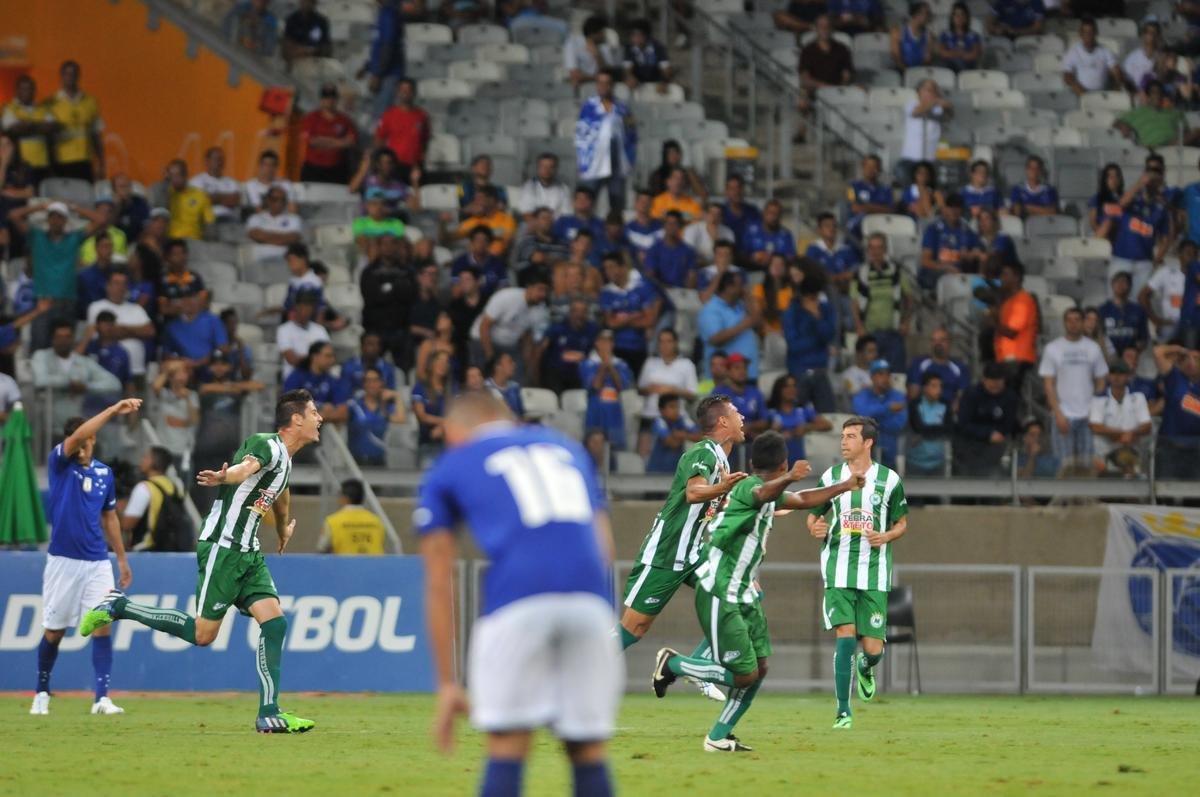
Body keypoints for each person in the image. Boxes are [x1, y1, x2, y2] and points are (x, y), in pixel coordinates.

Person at [415, 390, 619, 794]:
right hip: (590, 602)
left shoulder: (453, 462)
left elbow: (440, 578)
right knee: (588, 749)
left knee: (508, 744)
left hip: (518, 601)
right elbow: (604, 548)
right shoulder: (567, 449)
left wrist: (447, 683)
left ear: (455, 429)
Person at [81, 391, 321, 733]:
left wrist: (283, 530)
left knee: (275, 623)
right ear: (296, 419)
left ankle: (270, 713)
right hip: (223, 548)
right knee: (202, 633)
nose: (320, 418)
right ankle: (119, 606)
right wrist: (226, 477)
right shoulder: (266, 444)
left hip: (248, 552)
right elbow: (245, 468)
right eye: (313, 412)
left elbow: (280, 494)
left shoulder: (285, 460)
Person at [653, 431, 864, 750]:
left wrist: (844, 486)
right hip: (718, 589)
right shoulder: (749, 487)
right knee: (744, 674)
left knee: (760, 667)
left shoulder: (768, 491)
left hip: (743, 592)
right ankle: (674, 664)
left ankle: (718, 737)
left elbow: (803, 499)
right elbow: (764, 492)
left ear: (752, 461)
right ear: (784, 464)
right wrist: (791, 477)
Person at [30, 398, 140, 718]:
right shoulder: (59, 463)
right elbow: (76, 439)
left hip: (97, 562)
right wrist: (111, 410)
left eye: (88, 440)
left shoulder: (105, 473)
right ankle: (41, 692)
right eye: (79, 440)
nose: (84, 446)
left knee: (102, 624)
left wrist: (121, 559)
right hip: (63, 562)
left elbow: (110, 519)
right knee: (54, 630)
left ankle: (101, 698)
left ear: (94, 441)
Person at [618, 394, 747, 660]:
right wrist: (721, 488)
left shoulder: (723, 462)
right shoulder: (702, 453)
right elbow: (694, 492)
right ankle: (571, 669)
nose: (742, 417)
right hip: (667, 552)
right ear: (723, 420)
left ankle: (696, 666)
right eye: (736, 413)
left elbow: (714, 506)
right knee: (634, 628)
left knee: (739, 593)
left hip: (695, 552)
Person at [806, 416, 907, 729]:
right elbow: (812, 515)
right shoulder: (831, 477)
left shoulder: (889, 481)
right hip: (837, 569)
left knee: (873, 649)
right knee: (844, 636)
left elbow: (901, 522)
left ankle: (867, 666)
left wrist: (886, 536)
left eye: (851, 436)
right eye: (842, 436)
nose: (843, 442)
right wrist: (815, 527)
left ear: (868, 443)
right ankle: (843, 711)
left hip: (874, 573)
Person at [9, 199, 106, 349]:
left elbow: (100, 220)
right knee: (39, 347)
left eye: (60, 216)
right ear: (47, 219)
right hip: (42, 300)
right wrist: (41, 206)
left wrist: (73, 206)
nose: (56, 220)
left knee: (64, 349)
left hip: (67, 301)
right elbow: (13, 215)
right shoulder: (36, 236)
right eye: (52, 216)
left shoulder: (74, 238)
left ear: (66, 220)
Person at [1039, 307, 1109, 475]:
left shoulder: (1093, 348)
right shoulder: (1053, 348)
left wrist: (1094, 410)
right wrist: (1058, 413)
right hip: (1063, 415)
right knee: (1063, 464)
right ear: (1064, 323)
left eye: (1077, 320)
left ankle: (1085, 499)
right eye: (1069, 320)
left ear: (1083, 322)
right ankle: (1063, 500)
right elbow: (1048, 384)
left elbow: (1101, 380)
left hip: (1087, 416)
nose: (1073, 324)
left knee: (1086, 464)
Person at [32, 320, 123, 434]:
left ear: (73, 339)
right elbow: (40, 381)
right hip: (49, 430)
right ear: (52, 339)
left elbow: (114, 384)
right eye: (59, 337)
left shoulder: (84, 361)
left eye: (67, 337)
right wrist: (68, 383)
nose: (63, 341)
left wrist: (86, 387)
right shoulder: (41, 356)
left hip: (79, 428)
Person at [575, 69, 636, 213]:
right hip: (594, 161)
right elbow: (581, 135)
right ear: (596, 85)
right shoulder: (588, 107)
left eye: (607, 83)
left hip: (617, 161)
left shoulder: (623, 108)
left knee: (617, 203)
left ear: (613, 85)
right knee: (588, 202)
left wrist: (629, 159)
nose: (604, 86)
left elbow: (632, 134)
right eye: (600, 83)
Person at [851, 233, 913, 371]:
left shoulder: (895, 271)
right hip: (870, 334)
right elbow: (854, 302)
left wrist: (906, 322)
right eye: (872, 247)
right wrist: (859, 326)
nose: (875, 251)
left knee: (897, 374)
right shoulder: (860, 273)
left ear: (885, 249)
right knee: (872, 374)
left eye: (879, 247)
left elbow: (909, 298)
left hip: (894, 333)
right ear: (867, 250)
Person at [1110, 163, 1171, 294]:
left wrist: (1157, 259)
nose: (1152, 182)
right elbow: (1120, 205)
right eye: (1150, 178)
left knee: (1139, 301)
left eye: (1156, 180)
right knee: (1116, 297)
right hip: (1122, 258)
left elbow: (1166, 237)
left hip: (1144, 262)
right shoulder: (1133, 199)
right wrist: (1139, 183)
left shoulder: (1161, 207)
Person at [782, 270, 837, 412]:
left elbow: (829, 335)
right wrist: (818, 343)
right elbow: (793, 345)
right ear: (803, 295)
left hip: (820, 370)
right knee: (798, 416)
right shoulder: (791, 312)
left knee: (828, 415)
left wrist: (817, 317)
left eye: (816, 297)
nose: (815, 301)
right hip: (798, 371)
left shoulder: (824, 309)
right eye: (811, 297)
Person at [954, 362, 1019, 476]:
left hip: (996, 443)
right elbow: (963, 423)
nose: (995, 386)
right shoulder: (971, 394)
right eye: (992, 383)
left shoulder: (1010, 397)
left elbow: (1009, 423)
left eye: (998, 383)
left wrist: (998, 434)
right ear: (984, 380)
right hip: (970, 443)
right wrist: (987, 433)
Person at [599, 252, 659, 376]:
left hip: (639, 347)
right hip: (617, 349)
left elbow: (649, 320)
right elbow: (611, 323)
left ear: (622, 267)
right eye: (605, 268)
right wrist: (634, 316)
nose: (608, 272)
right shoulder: (606, 292)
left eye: (611, 267)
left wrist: (622, 320)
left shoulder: (642, 286)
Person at [1089, 360, 1152, 477]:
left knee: (1130, 463)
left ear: (1128, 376)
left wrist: (1129, 435)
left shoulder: (1138, 397)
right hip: (1104, 451)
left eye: (1121, 373)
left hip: (1131, 448)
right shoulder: (1099, 399)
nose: (1117, 376)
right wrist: (1124, 434)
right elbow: (1095, 427)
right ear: (1109, 376)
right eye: (1113, 373)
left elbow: (1147, 426)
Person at [122, 445, 187, 551]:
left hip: (147, 548)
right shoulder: (175, 486)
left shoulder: (144, 488)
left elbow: (127, 524)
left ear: (153, 462)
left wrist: (118, 509)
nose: (141, 460)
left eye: (146, 457)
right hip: (172, 546)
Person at [46, 61, 104, 181]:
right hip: (62, 161)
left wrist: (101, 163)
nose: (70, 77)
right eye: (67, 74)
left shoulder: (90, 102)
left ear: (78, 76)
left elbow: (96, 135)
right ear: (61, 76)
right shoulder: (51, 103)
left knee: (86, 197)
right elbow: (48, 138)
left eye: (73, 74)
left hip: (85, 160)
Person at [698, 270, 760, 380]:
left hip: (748, 373)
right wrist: (742, 326)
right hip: (724, 378)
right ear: (728, 287)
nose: (743, 289)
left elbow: (757, 321)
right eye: (740, 285)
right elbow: (715, 339)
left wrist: (748, 299)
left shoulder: (741, 305)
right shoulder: (711, 309)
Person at [1152, 343, 1200, 479]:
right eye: (1186, 358)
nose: (1191, 362)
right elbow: (1157, 352)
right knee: (1165, 491)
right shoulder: (1175, 377)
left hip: (1197, 448)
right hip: (1170, 444)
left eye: (1196, 359)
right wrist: (1180, 349)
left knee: (1195, 494)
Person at [581, 330, 633, 450]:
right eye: (602, 341)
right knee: (592, 451)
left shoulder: (621, 364)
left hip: (614, 416)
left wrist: (610, 366)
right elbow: (595, 385)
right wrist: (604, 365)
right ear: (596, 343)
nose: (606, 345)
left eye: (609, 341)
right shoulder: (588, 363)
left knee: (614, 453)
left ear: (613, 344)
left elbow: (621, 386)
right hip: (595, 414)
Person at [919, 193, 984, 290]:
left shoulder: (967, 231)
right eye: (950, 207)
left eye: (957, 207)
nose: (954, 211)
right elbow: (925, 261)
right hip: (938, 272)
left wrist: (972, 255)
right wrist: (945, 268)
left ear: (961, 210)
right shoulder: (933, 229)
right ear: (944, 209)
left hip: (961, 273)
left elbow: (980, 254)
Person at [851, 359, 908, 468]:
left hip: (890, 454)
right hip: (865, 456)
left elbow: (898, 424)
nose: (885, 378)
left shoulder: (898, 397)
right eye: (880, 374)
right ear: (872, 377)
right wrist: (888, 408)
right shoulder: (862, 395)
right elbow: (861, 414)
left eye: (887, 374)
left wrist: (873, 422)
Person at [767, 373, 831, 465]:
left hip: (801, 457)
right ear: (779, 390)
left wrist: (807, 427)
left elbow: (827, 425)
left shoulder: (803, 409)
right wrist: (773, 432)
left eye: (794, 386)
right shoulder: (771, 412)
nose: (791, 390)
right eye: (787, 386)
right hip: (777, 459)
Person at [299, 84, 357, 184]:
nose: (329, 100)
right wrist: (339, 142)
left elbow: (351, 141)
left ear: (336, 99)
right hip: (314, 168)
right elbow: (312, 141)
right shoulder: (311, 118)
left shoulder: (344, 120)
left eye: (332, 97)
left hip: (336, 169)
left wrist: (324, 141)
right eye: (326, 97)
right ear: (321, 99)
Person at [898, 79, 951, 185]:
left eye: (934, 90)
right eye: (928, 90)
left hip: (930, 158)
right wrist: (935, 102)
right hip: (911, 158)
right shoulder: (912, 104)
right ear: (919, 92)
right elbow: (916, 112)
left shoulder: (937, 108)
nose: (932, 92)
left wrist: (947, 107)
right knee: (910, 189)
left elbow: (948, 116)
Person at [373, 79, 430, 172]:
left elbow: (425, 140)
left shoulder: (422, 116)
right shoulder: (389, 115)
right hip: (394, 165)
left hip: (415, 166)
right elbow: (379, 139)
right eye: (402, 90)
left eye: (408, 90)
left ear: (414, 92)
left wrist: (421, 158)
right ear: (397, 92)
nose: (405, 93)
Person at [317, 479, 386, 554]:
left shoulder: (332, 521)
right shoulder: (377, 521)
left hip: (344, 565)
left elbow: (321, 550)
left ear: (345, 498)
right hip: (373, 565)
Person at [1114, 80, 1188, 150]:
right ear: (1148, 96)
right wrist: (1123, 126)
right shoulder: (1138, 112)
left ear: (1163, 95)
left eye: (1160, 92)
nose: (1157, 95)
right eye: (1153, 92)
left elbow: (1185, 131)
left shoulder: (1175, 113)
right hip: (1149, 149)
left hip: (1174, 147)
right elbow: (1116, 122)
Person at [712, 352, 770, 440]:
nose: (742, 371)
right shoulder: (719, 393)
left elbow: (764, 421)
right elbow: (716, 422)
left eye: (744, 368)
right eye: (737, 368)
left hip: (753, 439)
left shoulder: (755, 392)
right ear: (728, 371)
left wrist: (748, 427)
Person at [412, 350, 455, 462]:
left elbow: (457, 415)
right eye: (439, 360)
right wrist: (444, 422)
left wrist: (442, 428)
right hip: (428, 444)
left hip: (450, 445)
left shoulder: (453, 389)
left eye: (446, 362)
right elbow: (422, 416)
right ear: (431, 364)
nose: (443, 364)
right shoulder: (420, 388)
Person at [1062, 16, 1123, 95]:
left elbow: (1116, 71)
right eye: (1085, 32)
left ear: (1095, 33)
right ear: (1080, 34)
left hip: (1102, 94)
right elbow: (1067, 76)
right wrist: (1079, 89)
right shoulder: (1073, 52)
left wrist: (1117, 86)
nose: (1088, 36)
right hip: (1081, 94)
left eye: (1091, 32)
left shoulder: (1104, 50)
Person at [906, 372, 951, 476]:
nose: (938, 389)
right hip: (916, 461)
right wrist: (937, 429)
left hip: (939, 462)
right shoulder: (915, 404)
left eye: (940, 386)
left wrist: (926, 430)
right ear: (924, 388)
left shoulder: (945, 405)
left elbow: (948, 429)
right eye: (934, 386)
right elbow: (917, 428)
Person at [1140, 249, 1188, 342]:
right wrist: (1156, 320)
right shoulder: (1166, 272)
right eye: (1188, 253)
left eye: (1194, 254)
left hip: (1192, 324)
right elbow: (1142, 296)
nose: (1191, 257)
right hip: (1170, 322)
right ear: (1180, 256)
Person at [647, 393, 700, 473]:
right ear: (662, 410)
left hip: (676, 471)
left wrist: (682, 435)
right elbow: (671, 443)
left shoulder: (682, 420)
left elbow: (701, 437)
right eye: (672, 407)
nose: (676, 410)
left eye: (677, 407)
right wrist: (687, 436)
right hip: (656, 471)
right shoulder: (658, 421)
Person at [1099, 272, 1149, 355]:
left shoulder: (1138, 310)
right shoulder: (1103, 309)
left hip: (1130, 358)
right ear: (1112, 285)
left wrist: (1133, 352)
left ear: (1130, 287)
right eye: (1117, 282)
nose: (1120, 285)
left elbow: (1143, 339)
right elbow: (1099, 335)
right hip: (1108, 357)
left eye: (1124, 282)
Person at [189, 148, 241, 223]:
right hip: (207, 221)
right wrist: (225, 198)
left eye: (222, 159)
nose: (220, 162)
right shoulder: (196, 181)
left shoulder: (232, 182)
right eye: (216, 159)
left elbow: (234, 200)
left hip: (229, 220)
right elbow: (199, 202)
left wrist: (213, 197)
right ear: (207, 161)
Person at [516, 153, 572, 222]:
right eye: (543, 166)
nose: (547, 170)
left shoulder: (563, 189)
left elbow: (566, 214)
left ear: (556, 169)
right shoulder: (528, 187)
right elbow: (526, 213)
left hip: (556, 226)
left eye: (551, 167)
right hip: (534, 226)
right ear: (538, 168)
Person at [744, 199, 797, 268]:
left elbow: (791, 257)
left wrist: (775, 258)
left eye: (777, 214)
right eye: (770, 213)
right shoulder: (751, 230)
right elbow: (742, 254)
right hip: (753, 270)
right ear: (763, 213)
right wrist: (753, 256)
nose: (774, 217)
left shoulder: (786, 234)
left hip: (778, 273)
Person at [623, 18, 672, 90]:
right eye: (633, 35)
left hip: (655, 85)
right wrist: (629, 77)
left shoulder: (657, 47)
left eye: (639, 35)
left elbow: (666, 69)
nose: (636, 39)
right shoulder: (629, 48)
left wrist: (664, 82)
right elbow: (627, 69)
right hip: (638, 85)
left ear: (646, 35)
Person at [282, 0, 332, 66]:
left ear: (314, 3)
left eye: (309, 1)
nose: (306, 3)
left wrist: (310, 51)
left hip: (316, 63)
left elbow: (327, 49)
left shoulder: (321, 22)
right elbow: (285, 47)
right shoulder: (292, 20)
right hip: (295, 63)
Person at [936, 2, 982, 71]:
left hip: (967, 65)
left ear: (966, 18)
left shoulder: (974, 35)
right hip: (949, 64)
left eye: (962, 15)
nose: (959, 18)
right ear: (952, 17)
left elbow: (974, 54)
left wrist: (956, 54)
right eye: (956, 15)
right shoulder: (945, 34)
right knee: (940, 63)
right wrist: (959, 53)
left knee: (962, 63)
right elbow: (942, 53)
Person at [891, 2, 933, 72]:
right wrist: (906, 71)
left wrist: (916, 73)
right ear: (917, 14)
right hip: (901, 71)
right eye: (927, 13)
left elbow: (927, 59)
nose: (929, 17)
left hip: (919, 72)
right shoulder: (898, 31)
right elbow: (896, 56)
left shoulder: (928, 35)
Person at [1089, 163, 1125, 242]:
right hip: (1104, 233)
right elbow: (1093, 222)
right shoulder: (1097, 198)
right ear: (1105, 180)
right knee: (1108, 223)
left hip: (1121, 233)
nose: (1114, 180)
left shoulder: (1125, 198)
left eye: (1116, 176)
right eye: (1110, 177)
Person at [1122, 20, 1161, 91]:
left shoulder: (1162, 57)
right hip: (1137, 93)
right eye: (1149, 33)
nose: (1152, 36)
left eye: (1155, 33)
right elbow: (1127, 79)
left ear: (1158, 36)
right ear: (1143, 35)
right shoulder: (1132, 57)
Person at [484, 352, 524, 419]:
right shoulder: (485, 388)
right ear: (498, 366)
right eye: (510, 362)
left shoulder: (515, 387)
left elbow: (521, 414)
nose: (514, 364)